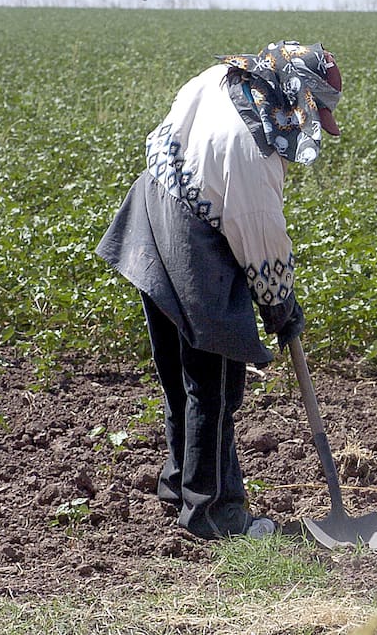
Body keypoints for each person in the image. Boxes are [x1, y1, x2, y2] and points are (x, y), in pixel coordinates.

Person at [96, 41, 343, 540]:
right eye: (311, 111)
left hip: (150, 214)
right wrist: (281, 305)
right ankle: (214, 513)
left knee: (182, 375)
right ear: (294, 95)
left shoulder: (222, 80)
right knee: (215, 385)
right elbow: (258, 234)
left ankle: (180, 485)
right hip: (191, 243)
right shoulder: (252, 148)